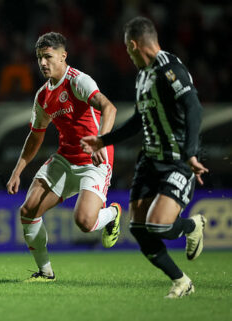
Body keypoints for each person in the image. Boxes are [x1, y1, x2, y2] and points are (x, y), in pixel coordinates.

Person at [80, 17, 208, 298]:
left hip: (176, 161)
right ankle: (181, 281)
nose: (127, 55)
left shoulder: (170, 69)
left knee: (158, 225)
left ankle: (191, 226)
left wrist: (190, 153)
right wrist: (104, 139)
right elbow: (139, 119)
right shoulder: (143, 76)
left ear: (135, 45)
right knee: (139, 228)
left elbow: (194, 108)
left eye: (127, 49)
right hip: (148, 162)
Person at [6, 32, 122, 282]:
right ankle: (45, 272)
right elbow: (35, 136)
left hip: (94, 159)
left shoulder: (79, 81)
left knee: (84, 222)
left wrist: (102, 139)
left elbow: (109, 107)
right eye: (39, 58)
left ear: (63, 56)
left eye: (48, 57)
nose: (43, 63)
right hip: (65, 158)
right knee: (28, 211)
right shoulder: (42, 96)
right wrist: (18, 171)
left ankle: (113, 213)